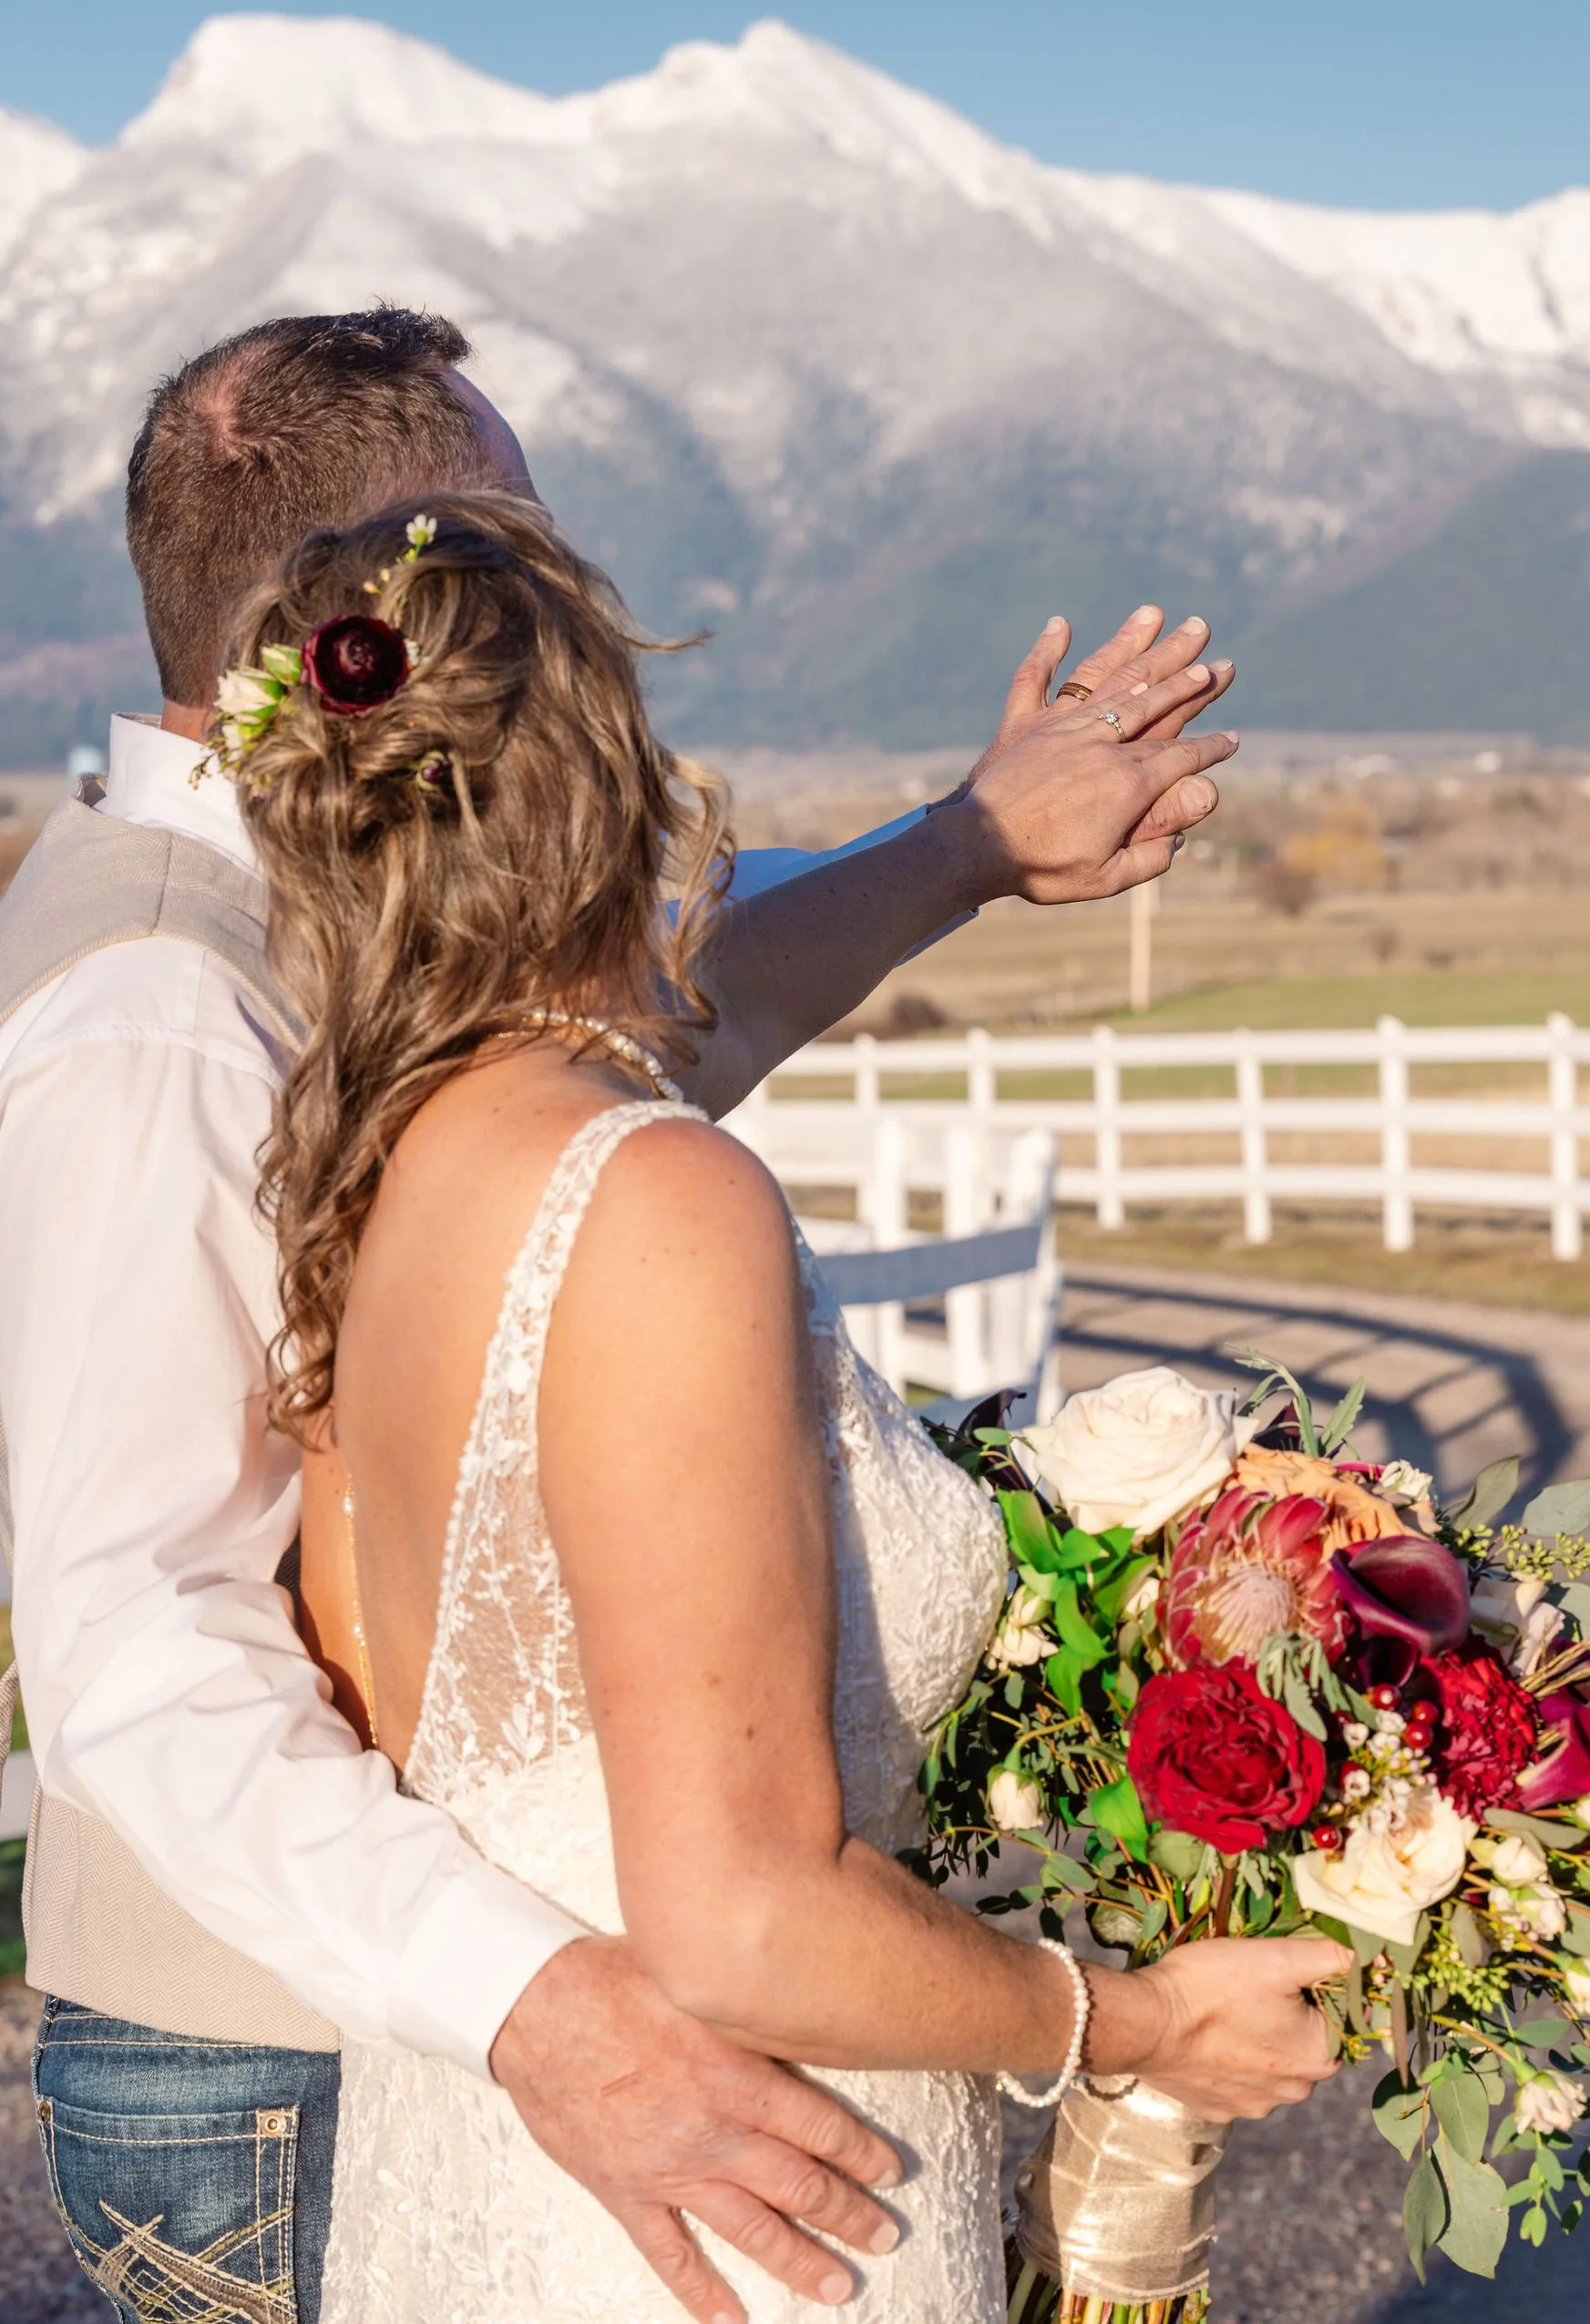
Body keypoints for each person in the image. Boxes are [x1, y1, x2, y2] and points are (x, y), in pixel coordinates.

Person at [0, 305, 1245, 2324]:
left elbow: (632, 1044)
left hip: (453, 2015)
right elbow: (136, 1634)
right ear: (403, 586)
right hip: (294, 2055)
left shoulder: (379, 927)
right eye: (530, 538)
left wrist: (963, 846)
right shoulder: (156, 1000)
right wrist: (536, 2003)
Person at [232, 491, 1348, 2321]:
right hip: (751, 2216)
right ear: (614, 777)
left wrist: (968, 840)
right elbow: (740, 1916)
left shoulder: (379, 1166)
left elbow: (702, 1011)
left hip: (482, 2191)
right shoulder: (649, 1198)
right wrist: (1140, 2019)